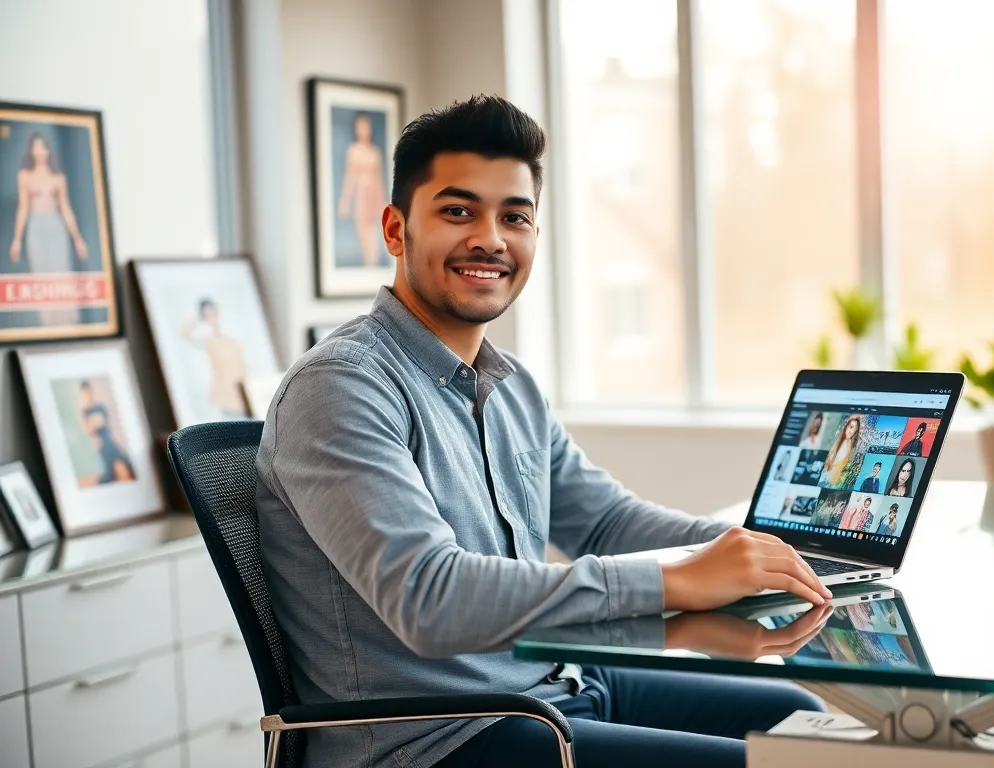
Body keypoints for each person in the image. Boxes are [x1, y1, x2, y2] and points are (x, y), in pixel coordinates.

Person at [255, 96, 828, 768]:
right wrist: (673, 582)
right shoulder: (341, 387)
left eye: (515, 217)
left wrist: (755, 552)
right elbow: (428, 598)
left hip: (553, 687)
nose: (491, 239)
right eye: (458, 211)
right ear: (395, 228)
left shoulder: (511, 385)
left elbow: (607, 523)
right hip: (439, 737)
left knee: (801, 726)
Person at [8, 130, 88, 327]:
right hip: (36, 226)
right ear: (31, 151)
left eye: (43, 147)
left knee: (60, 272)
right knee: (41, 274)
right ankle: (48, 322)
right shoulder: (25, 176)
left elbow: (66, 208)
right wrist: (17, 240)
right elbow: (23, 208)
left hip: (56, 225)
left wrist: (77, 239)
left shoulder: (58, 177)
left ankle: (67, 322)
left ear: (48, 150)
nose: (40, 151)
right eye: (36, 147)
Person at [336, 112, 391, 267]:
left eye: (366, 127)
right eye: (361, 127)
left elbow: (379, 178)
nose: (363, 130)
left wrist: (383, 202)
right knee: (363, 229)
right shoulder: (353, 151)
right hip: (361, 193)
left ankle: (373, 262)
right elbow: (350, 177)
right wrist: (345, 200)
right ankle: (367, 262)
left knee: (375, 231)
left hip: (374, 192)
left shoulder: (375, 152)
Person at [180, 299, 248, 419]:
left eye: (213, 313)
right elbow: (186, 334)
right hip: (225, 396)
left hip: (242, 392)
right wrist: (194, 318)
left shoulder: (230, 337)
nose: (212, 318)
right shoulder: (206, 338)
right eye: (207, 315)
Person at [78, 381, 135, 485]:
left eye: (89, 392)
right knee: (109, 473)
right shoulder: (85, 412)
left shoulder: (100, 407)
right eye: (85, 393)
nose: (88, 395)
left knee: (126, 461)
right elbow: (88, 430)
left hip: (109, 440)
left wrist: (96, 422)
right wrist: (94, 424)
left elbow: (105, 422)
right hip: (101, 445)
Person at [821, 415, 863, 487]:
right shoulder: (836, 442)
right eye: (851, 427)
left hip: (833, 484)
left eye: (855, 430)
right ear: (846, 426)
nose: (851, 431)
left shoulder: (850, 449)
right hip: (824, 478)